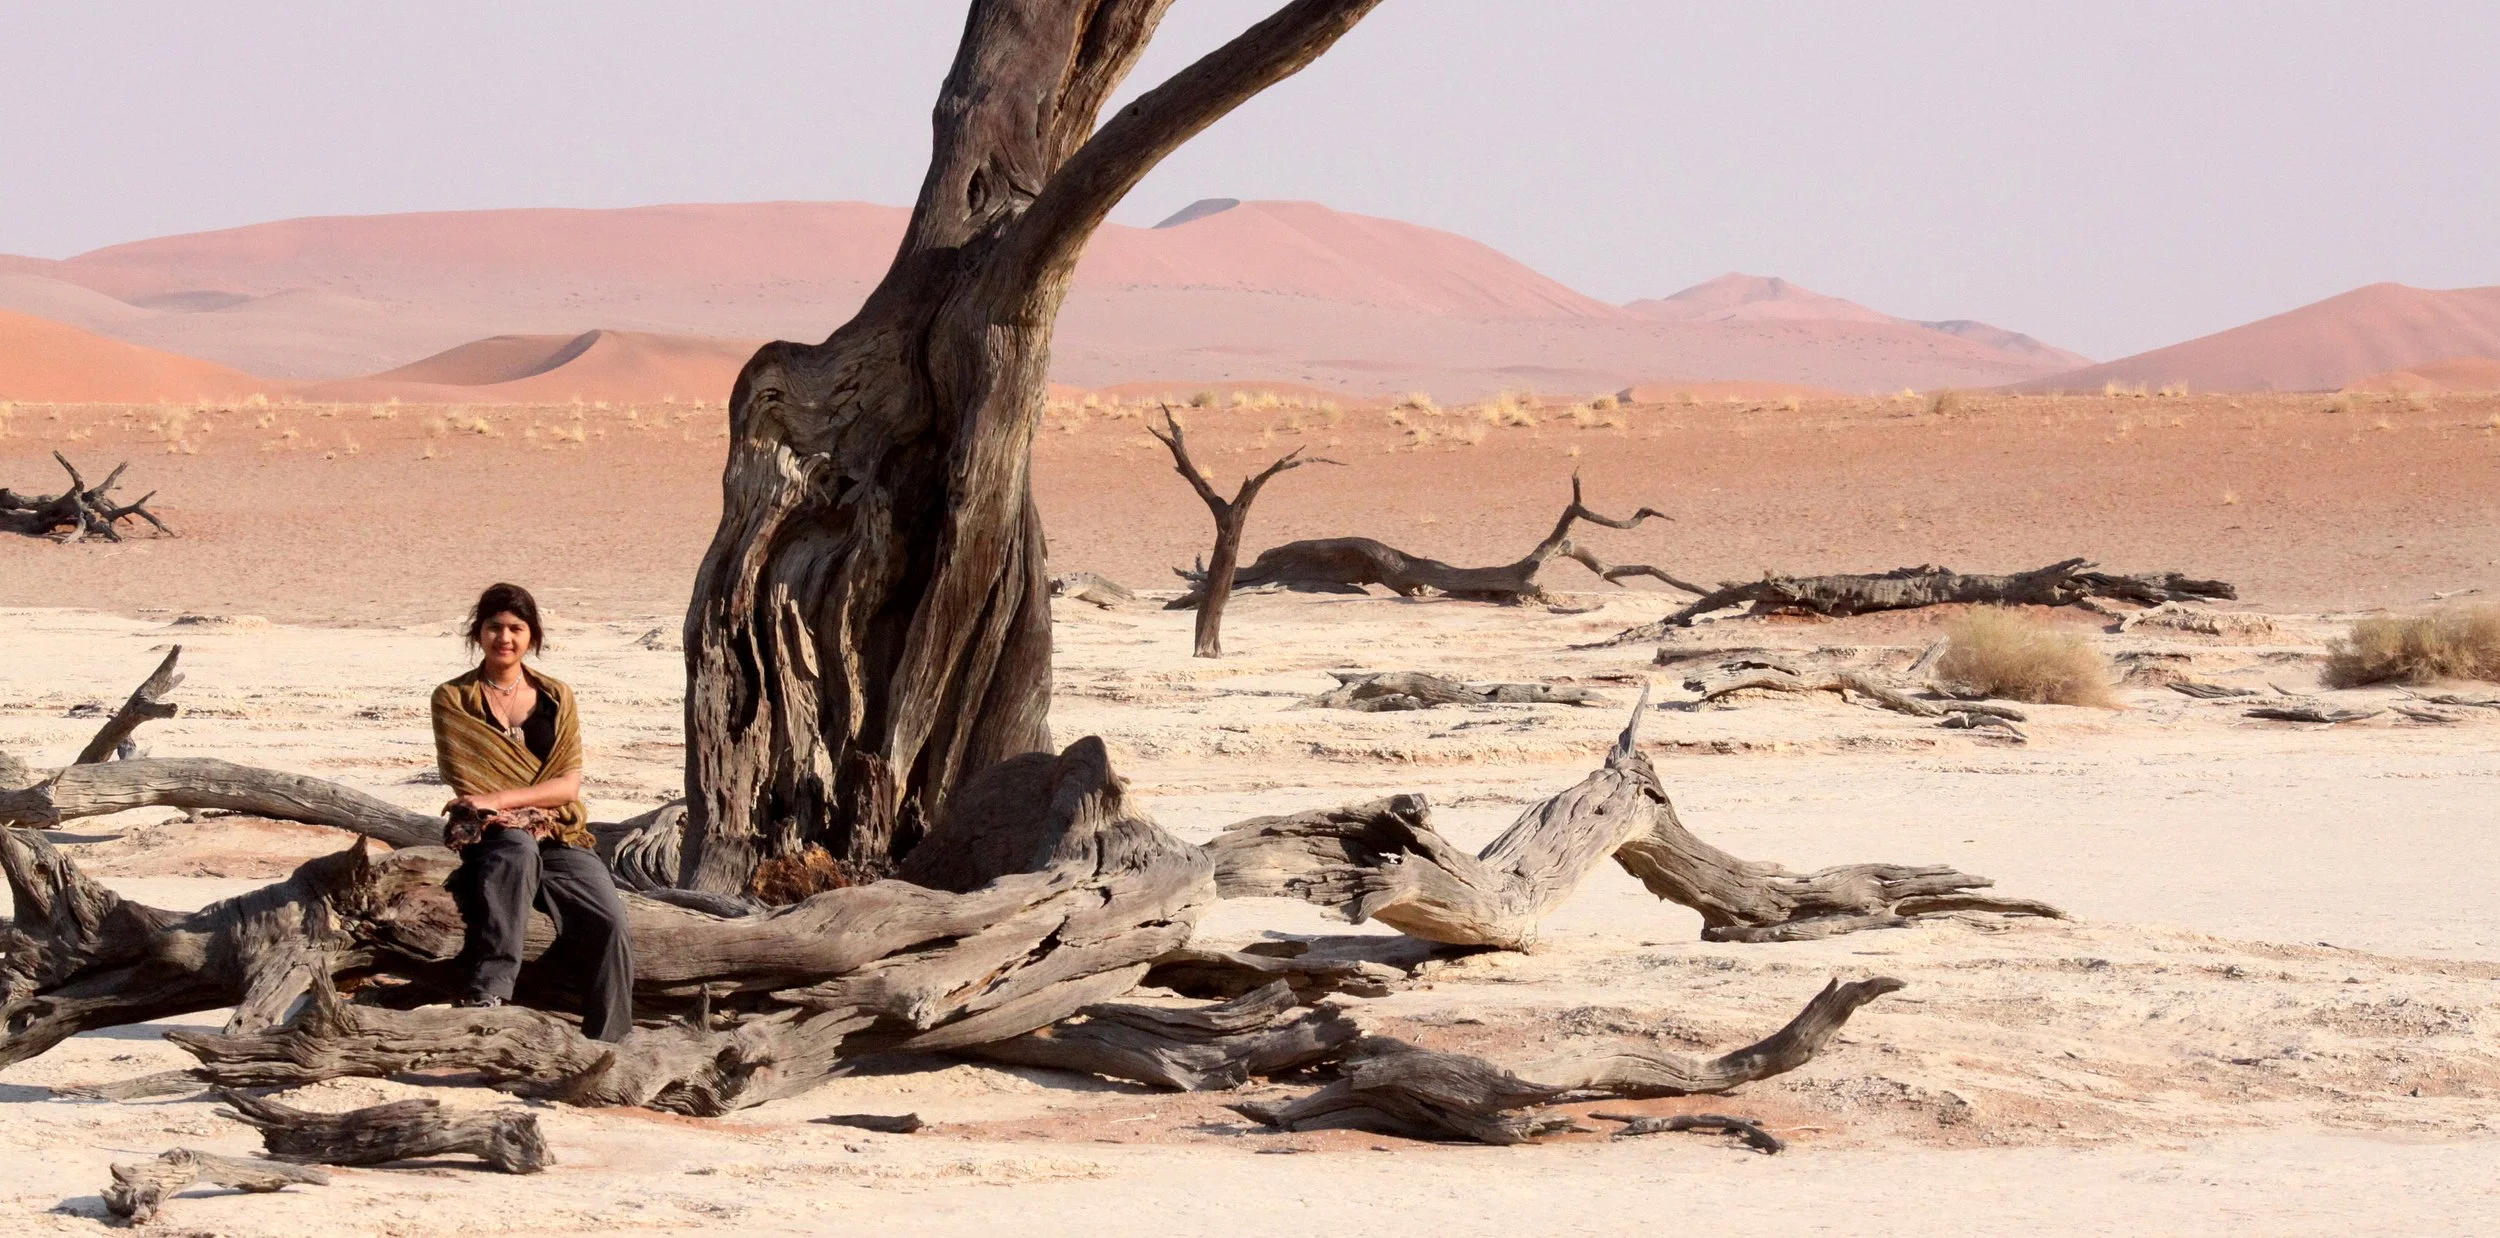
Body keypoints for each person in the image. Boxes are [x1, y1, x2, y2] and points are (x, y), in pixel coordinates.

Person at [430, 582, 634, 1041]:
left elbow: (567, 787)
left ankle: (611, 1042)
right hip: (491, 835)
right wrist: (500, 808)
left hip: (561, 833)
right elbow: (470, 787)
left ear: (532, 635)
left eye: (516, 628)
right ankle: (490, 992)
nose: (505, 637)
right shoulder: (452, 699)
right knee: (518, 850)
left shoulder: (557, 696)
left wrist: (502, 799)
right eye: (494, 627)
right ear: (478, 634)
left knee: (611, 922)